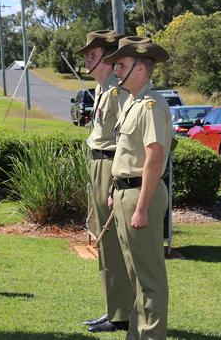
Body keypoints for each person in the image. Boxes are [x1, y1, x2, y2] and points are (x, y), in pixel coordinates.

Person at [102, 36, 172, 340]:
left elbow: (155, 157)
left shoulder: (151, 105)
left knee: (149, 279)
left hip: (141, 194)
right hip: (125, 194)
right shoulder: (133, 103)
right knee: (135, 276)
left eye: (121, 64)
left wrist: (142, 207)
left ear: (140, 68)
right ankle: (137, 334)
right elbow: (127, 153)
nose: (116, 70)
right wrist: (114, 191)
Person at [74, 30, 134, 333]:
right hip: (96, 162)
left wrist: (113, 184)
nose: (88, 59)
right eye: (87, 54)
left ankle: (122, 313)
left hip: (109, 165)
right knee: (104, 241)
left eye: (94, 55)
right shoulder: (102, 90)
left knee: (113, 242)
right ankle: (114, 309)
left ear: (109, 60)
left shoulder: (116, 91)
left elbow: (124, 138)